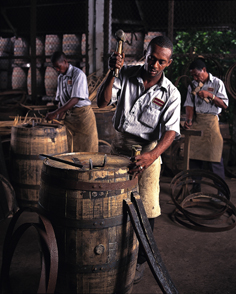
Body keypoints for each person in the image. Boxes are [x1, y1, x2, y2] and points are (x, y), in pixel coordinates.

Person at [97, 35, 181, 283]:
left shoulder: (171, 93)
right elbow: (102, 102)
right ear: (145, 53)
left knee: (147, 208)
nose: (154, 65)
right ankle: (113, 253)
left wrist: (152, 156)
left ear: (169, 63)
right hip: (120, 145)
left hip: (149, 151)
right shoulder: (127, 73)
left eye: (161, 62)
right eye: (151, 58)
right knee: (113, 203)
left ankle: (141, 260)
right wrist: (113, 72)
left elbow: (171, 131)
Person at [184, 58, 228, 194]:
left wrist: (211, 95)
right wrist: (189, 120)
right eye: (193, 75)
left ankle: (221, 191)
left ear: (204, 70)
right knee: (194, 156)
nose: (195, 78)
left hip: (211, 123)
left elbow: (225, 105)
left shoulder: (217, 83)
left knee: (215, 157)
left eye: (197, 74)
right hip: (197, 122)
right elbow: (189, 105)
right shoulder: (193, 85)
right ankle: (195, 186)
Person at [45, 51, 98, 152]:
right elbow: (62, 102)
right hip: (69, 119)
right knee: (70, 149)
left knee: (88, 150)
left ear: (65, 61)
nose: (57, 69)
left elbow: (74, 100)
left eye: (58, 66)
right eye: (54, 67)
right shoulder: (60, 77)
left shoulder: (78, 75)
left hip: (83, 118)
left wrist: (54, 113)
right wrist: (58, 120)